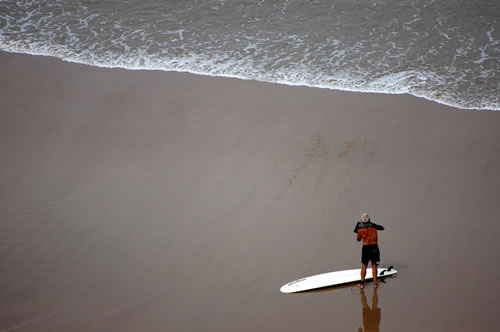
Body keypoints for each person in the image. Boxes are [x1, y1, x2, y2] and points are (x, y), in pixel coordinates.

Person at [353, 213, 384, 289]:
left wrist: (360, 232)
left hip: (366, 248)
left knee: (364, 265)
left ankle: (362, 284)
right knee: (374, 265)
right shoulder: (374, 228)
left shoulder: (360, 230)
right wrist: (374, 225)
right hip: (374, 247)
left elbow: (358, 240)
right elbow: (382, 228)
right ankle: (375, 284)